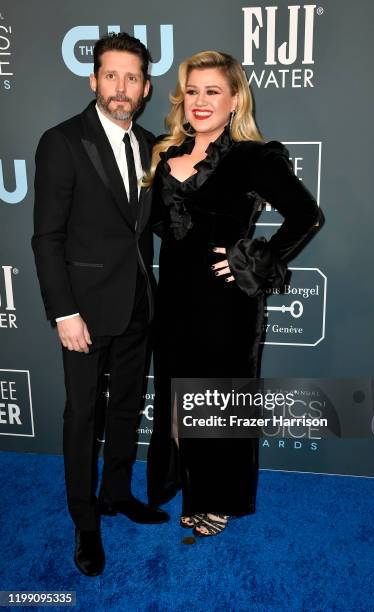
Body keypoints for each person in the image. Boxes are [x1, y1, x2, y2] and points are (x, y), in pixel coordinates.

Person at [146, 50, 322, 537]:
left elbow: (306, 215)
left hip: (226, 304)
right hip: (175, 299)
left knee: (218, 404)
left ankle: (218, 499)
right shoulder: (165, 154)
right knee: (180, 402)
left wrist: (255, 259)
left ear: (235, 98)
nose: (201, 102)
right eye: (193, 91)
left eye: (213, 91)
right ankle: (188, 486)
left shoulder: (250, 158)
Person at [32, 32, 168, 577]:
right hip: (84, 312)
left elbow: (150, 225)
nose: (121, 87)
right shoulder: (62, 141)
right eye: (111, 75)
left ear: (146, 87)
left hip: (137, 304)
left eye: (132, 77)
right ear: (93, 81)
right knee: (83, 417)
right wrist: (64, 313)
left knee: (126, 408)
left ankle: (116, 493)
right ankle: (85, 522)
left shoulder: (151, 145)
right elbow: (47, 238)